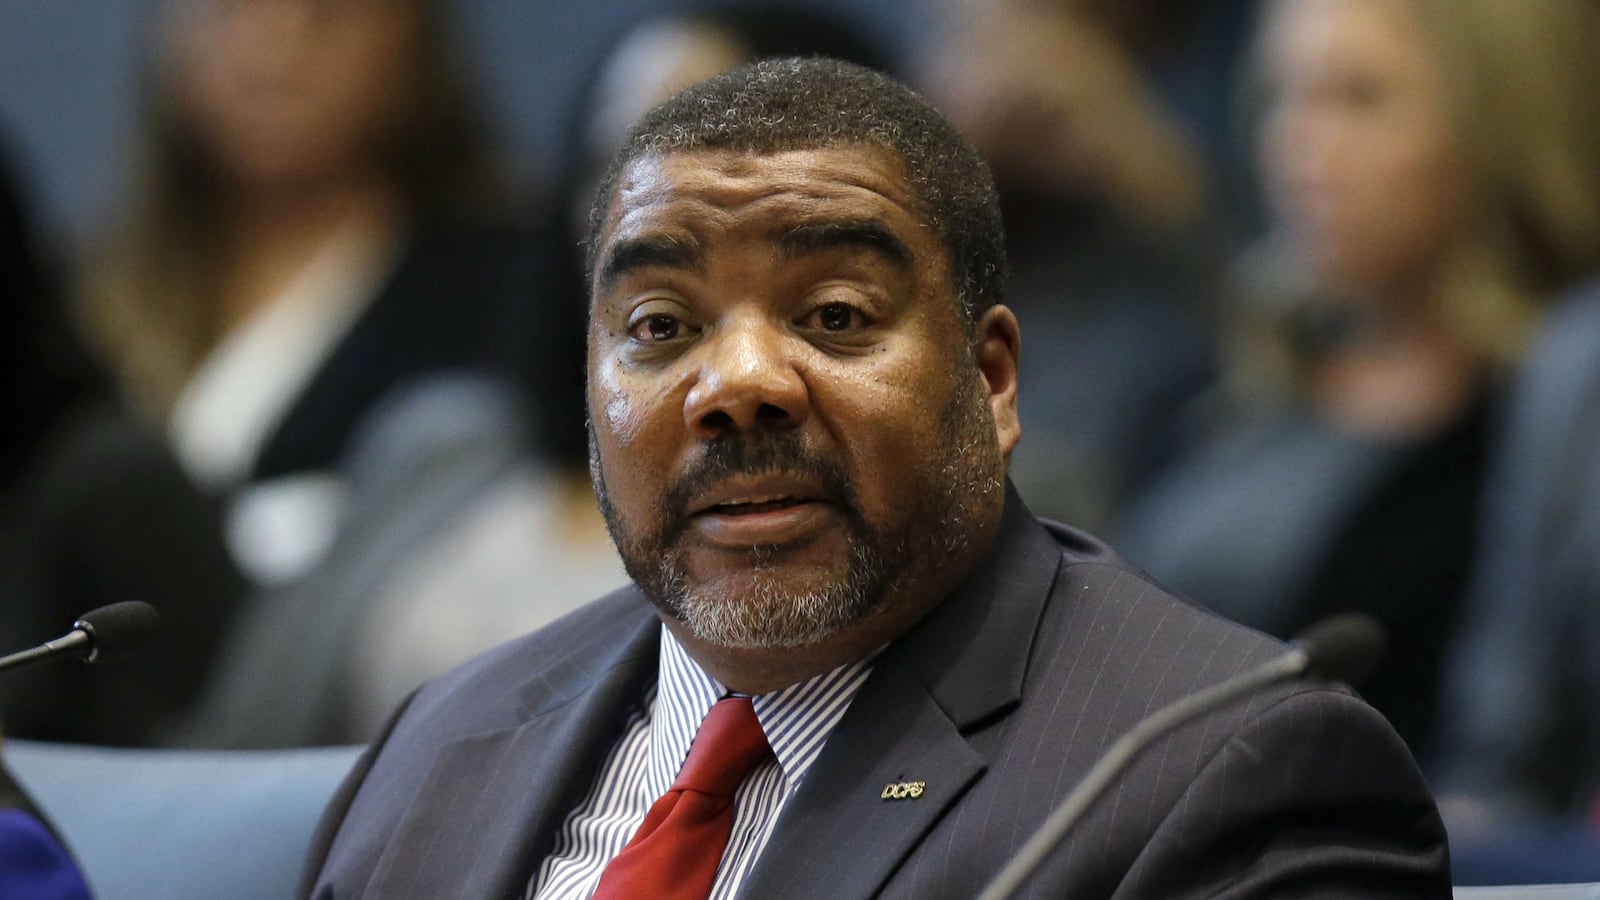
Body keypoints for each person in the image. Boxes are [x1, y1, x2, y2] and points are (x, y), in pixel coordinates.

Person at [301, 58, 1449, 899]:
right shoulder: (441, 746)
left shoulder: (1219, 776)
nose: (736, 384)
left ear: (991, 379)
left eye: (835, 315)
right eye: (659, 326)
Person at [1112, 0, 1600, 760]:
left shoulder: (1550, 425)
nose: (1297, 145)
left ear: (1495, 125)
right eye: (1283, 95)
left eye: (1357, 98)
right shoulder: (1249, 379)